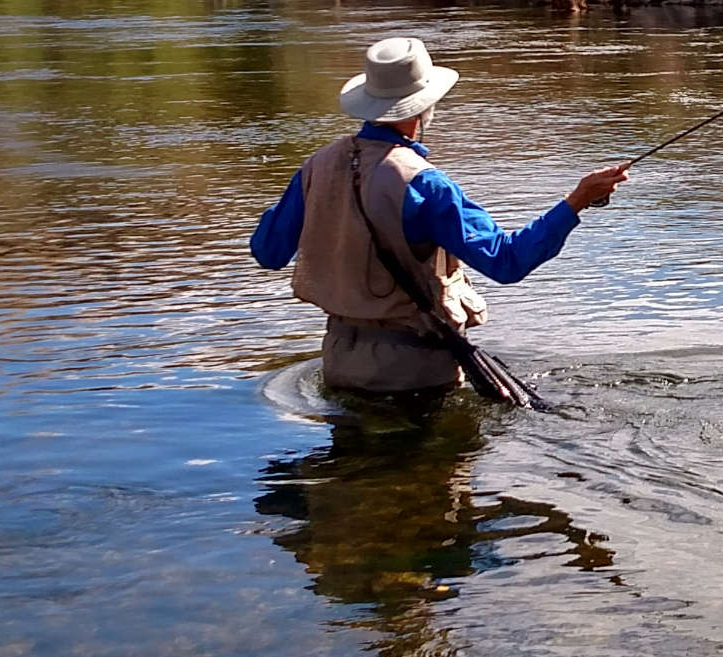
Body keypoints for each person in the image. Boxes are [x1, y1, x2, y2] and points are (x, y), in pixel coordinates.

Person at [252, 37, 627, 394]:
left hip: (339, 361)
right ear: (423, 108)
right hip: (415, 371)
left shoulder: (316, 166)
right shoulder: (423, 184)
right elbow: (507, 262)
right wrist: (576, 200)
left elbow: (267, 252)